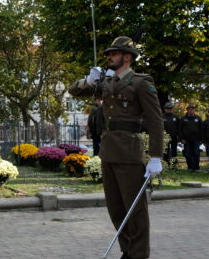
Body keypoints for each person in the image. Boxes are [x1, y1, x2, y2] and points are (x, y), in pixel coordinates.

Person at [69, 36, 163, 259]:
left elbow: (155, 121)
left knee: (135, 209)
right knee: (116, 208)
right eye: (109, 54)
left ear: (127, 57)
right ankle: (127, 250)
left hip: (129, 152)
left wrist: (156, 156)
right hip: (109, 151)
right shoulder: (108, 82)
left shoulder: (141, 82)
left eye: (114, 53)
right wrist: (89, 81)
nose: (109, 57)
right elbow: (74, 91)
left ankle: (138, 254)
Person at [179, 104, 203, 171]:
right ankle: (190, 167)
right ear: (187, 110)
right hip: (186, 140)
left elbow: (201, 129)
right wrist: (182, 139)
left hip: (196, 139)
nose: (191, 110)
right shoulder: (183, 118)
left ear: (194, 110)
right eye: (189, 109)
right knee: (187, 153)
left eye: (192, 109)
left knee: (196, 153)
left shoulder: (198, 118)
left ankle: (196, 167)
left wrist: (201, 139)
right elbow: (180, 129)